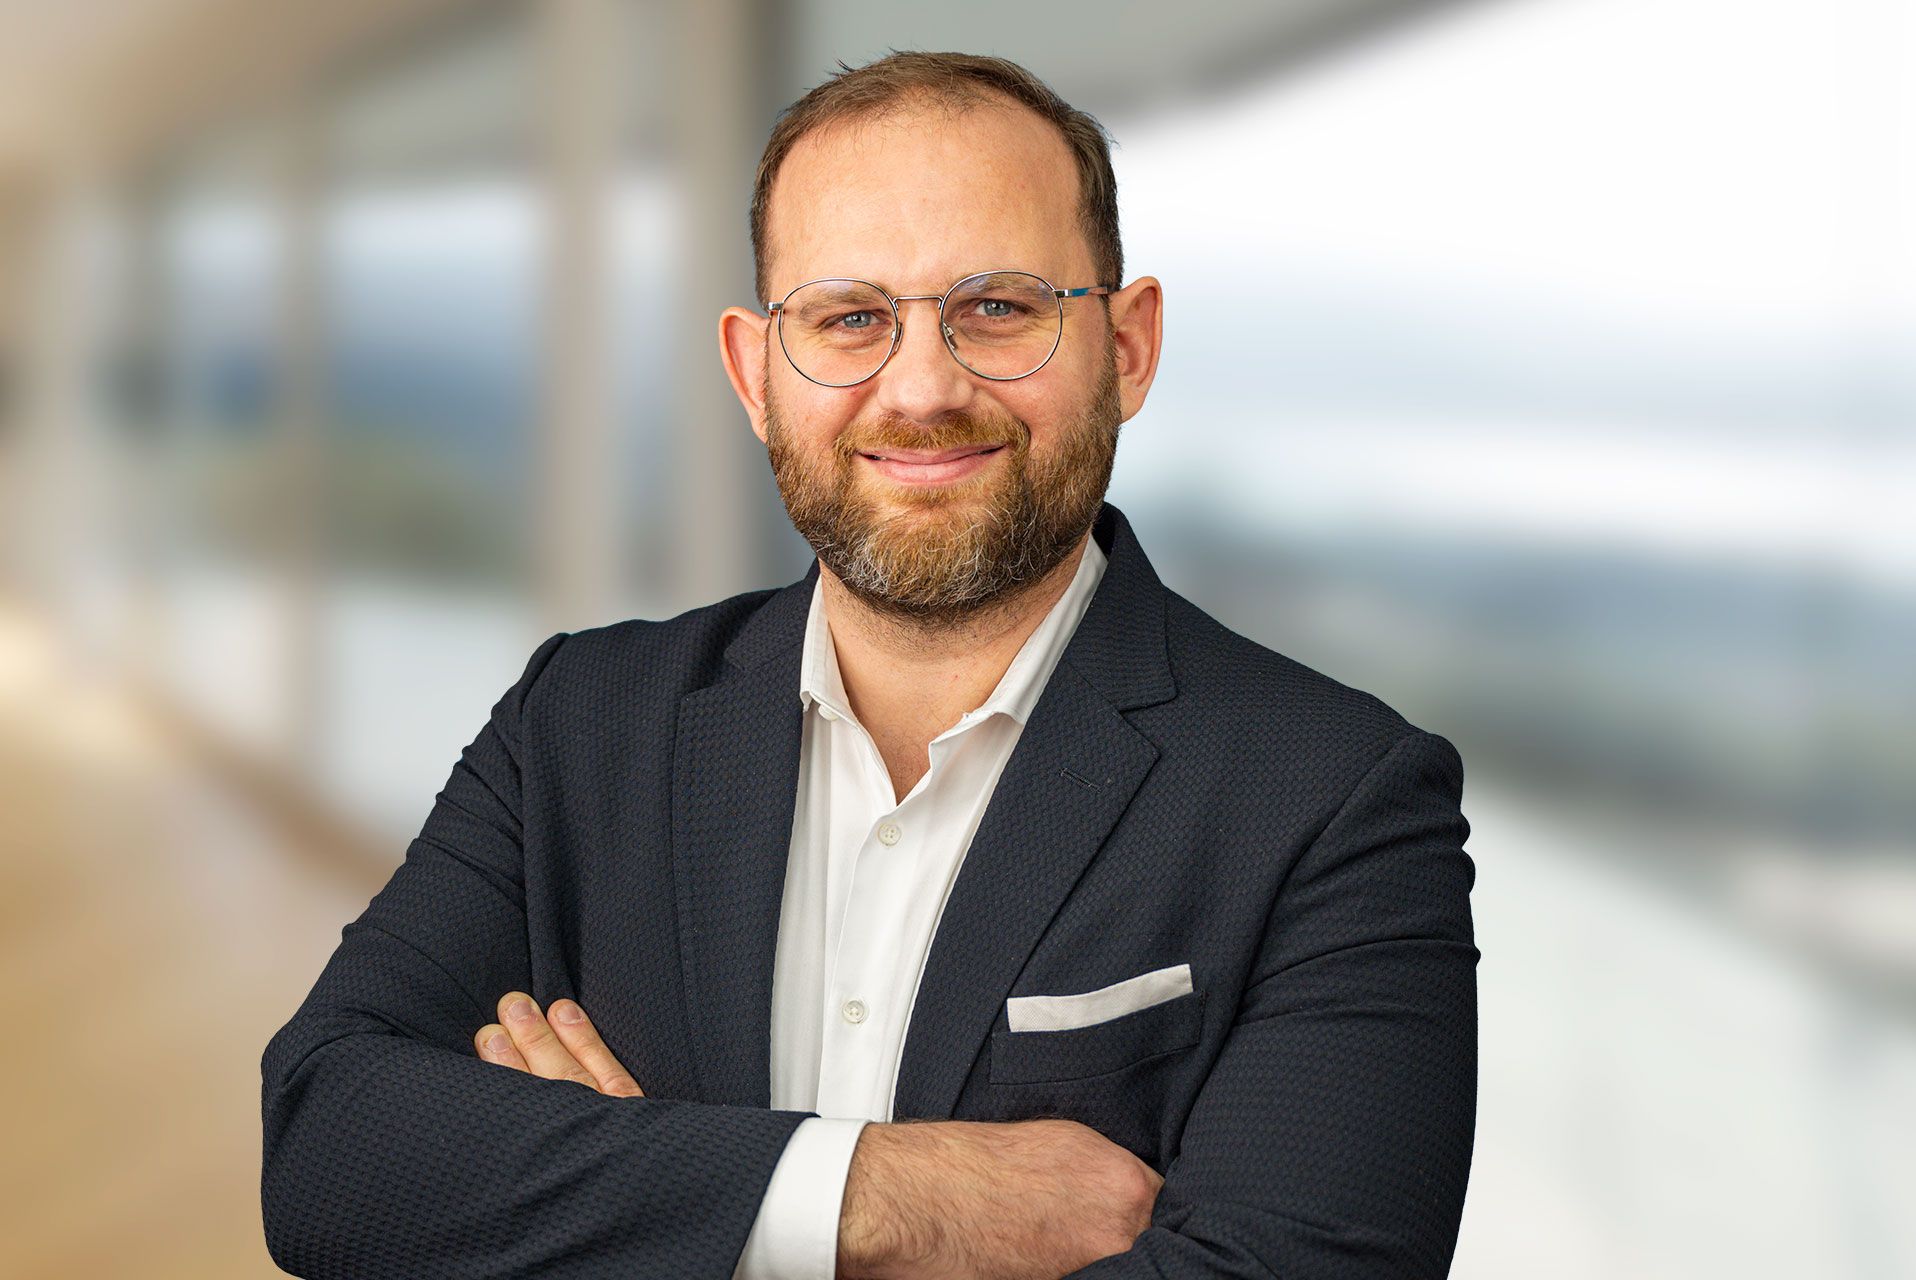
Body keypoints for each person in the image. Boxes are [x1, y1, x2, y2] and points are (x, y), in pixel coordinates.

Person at [260, 51, 1479, 1280]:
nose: (922, 387)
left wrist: (631, 1199)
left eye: (998, 305)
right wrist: (882, 1196)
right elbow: (328, 1144)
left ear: (1128, 344)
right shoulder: (576, 721)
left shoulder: (1340, 797)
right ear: (753, 374)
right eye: (850, 318)